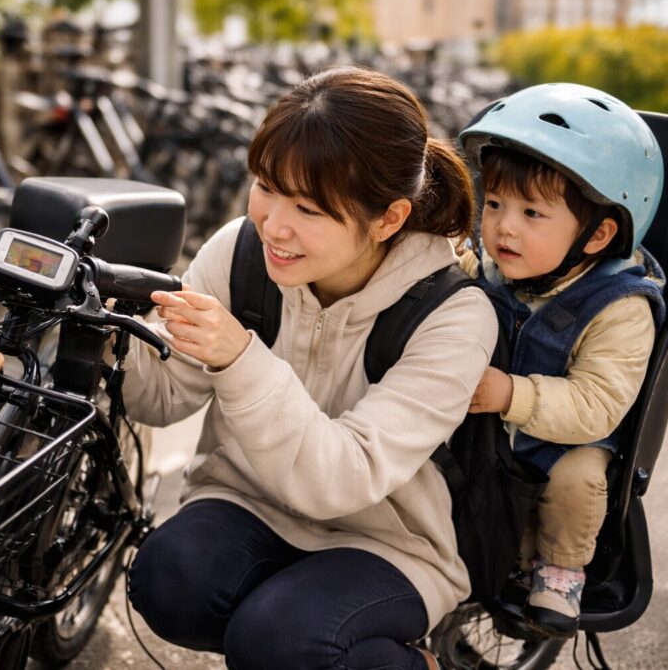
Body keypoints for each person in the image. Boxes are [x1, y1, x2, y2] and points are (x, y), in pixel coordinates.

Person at [121, 66, 498, 670]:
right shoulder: (241, 252)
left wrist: (241, 360)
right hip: (247, 500)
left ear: (389, 219)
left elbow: (345, 477)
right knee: (166, 581)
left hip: (387, 544)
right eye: (266, 186)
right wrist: (116, 335)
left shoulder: (452, 315)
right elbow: (161, 398)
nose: (274, 224)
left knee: (281, 640)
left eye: (310, 209)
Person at [457, 83, 666, 637]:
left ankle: (560, 571)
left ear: (597, 235)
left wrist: (512, 395)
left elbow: (598, 404)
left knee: (578, 481)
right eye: (496, 204)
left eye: (532, 212)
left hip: (567, 437)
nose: (504, 226)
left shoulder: (620, 307)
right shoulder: (491, 264)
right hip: (488, 427)